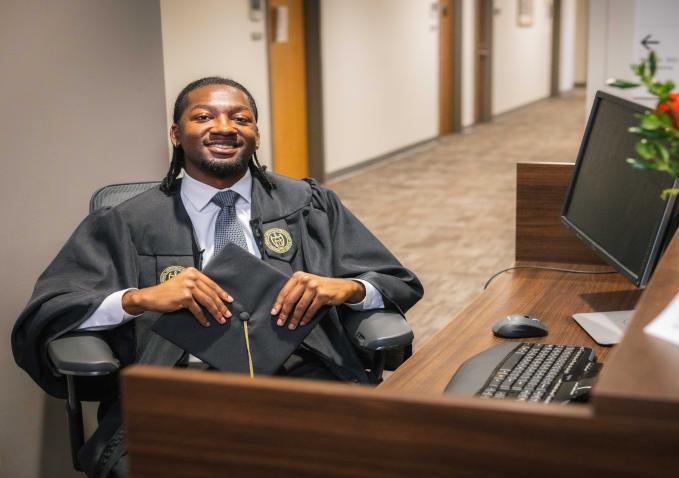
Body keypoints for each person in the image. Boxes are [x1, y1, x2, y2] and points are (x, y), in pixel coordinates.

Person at [12, 77, 423, 477]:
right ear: (176, 134)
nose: (224, 127)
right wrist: (137, 299)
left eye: (241, 119)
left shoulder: (308, 205)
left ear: (256, 136)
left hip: (303, 375)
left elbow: (394, 279)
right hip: (178, 386)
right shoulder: (127, 221)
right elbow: (52, 308)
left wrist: (349, 288)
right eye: (204, 117)